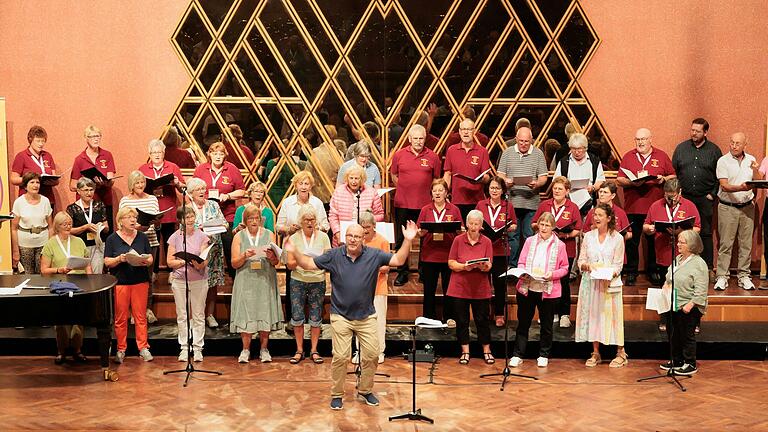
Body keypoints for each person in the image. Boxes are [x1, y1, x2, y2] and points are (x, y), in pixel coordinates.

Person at [285, 221, 419, 410]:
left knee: (372, 355)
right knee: (341, 356)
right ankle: (337, 393)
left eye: (357, 236)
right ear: (344, 238)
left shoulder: (373, 255)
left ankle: (365, 390)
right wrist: (294, 250)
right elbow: (307, 264)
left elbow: (398, 260)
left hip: (366, 316)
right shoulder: (333, 255)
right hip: (341, 315)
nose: (353, 239)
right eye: (349, 236)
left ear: (363, 238)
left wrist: (407, 240)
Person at [509, 212, 569, 368]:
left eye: (547, 225)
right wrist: (522, 271)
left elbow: (565, 268)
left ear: (553, 227)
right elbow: (521, 262)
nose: (543, 228)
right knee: (523, 323)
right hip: (527, 288)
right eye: (541, 224)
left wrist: (552, 275)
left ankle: (543, 354)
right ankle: (518, 354)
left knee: (546, 325)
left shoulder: (560, 245)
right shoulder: (529, 241)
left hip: (547, 290)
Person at [616, 128, 675, 285]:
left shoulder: (661, 156)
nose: (640, 142)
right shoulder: (628, 156)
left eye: (643, 139)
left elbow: (673, 176)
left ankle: (653, 270)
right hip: (633, 206)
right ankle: (631, 272)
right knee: (632, 240)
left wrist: (663, 179)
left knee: (653, 240)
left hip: (655, 207)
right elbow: (619, 180)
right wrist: (632, 182)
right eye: (637, 139)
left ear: (650, 140)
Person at [643, 179, 701, 332]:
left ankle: (693, 321)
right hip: (664, 252)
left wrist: (682, 232)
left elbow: (697, 228)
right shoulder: (656, 205)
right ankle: (666, 319)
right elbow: (646, 225)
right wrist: (649, 229)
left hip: (685, 255)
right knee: (666, 287)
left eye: (673, 196)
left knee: (688, 288)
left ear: (680, 193)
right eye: (667, 196)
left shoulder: (689, 205)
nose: (670, 200)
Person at [277, 171, 331, 330]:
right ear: (296, 185)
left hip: (314, 247)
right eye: (301, 183)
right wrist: (289, 228)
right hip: (294, 247)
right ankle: (292, 321)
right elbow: (278, 226)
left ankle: (315, 322)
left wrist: (316, 227)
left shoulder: (317, 203)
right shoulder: (287, 203)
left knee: (315, 283)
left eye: (306, 183)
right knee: (291, 283)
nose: (304, 186)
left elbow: (325, 225)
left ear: (310, 186)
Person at [576, 203, 628, 368]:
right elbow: (581, 260)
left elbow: (618, 264)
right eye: (594, 215)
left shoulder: (617, 238)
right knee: (594, 316)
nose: (596, 218)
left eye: (599, 215)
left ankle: (621, 352)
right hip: (591, 282)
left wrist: (607, 273)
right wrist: (588, 266)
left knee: (613, 316)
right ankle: (596, 352)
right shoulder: (589, 236)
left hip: (609, 283)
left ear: (609, 218)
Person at [390, 124, 441, 286]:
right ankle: (402, 273)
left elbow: (436, 179)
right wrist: (406, 188)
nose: (418, 141)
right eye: (416, 138)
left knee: (425, 239)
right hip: (403, 204)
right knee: (401, 239)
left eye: (421, 138)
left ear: (425, 139)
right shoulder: (398, 155)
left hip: (425, 205)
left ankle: (423, 272)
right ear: (409, 139)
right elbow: (394, 175)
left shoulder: (433, 157)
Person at [230, 205, 283, 363]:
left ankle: (264, 349)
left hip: (265, 279)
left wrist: (271, 257)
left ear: (261, 220)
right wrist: (244, 256)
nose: (254, 221)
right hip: (246, 279)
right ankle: (245, 350)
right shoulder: (239, 236)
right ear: (245, 221)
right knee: (247, 313)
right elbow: (233, 263)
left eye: (257, 218)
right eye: (250, 219)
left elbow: (277, 262)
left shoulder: (269, 234)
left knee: (264, 311)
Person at [672, 118, 722, 278]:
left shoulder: (714, 151)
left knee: (705, 233)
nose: (694, 133)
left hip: (705, 198)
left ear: (705, 132)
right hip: (684, 198)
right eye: (692, 130)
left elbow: (719, 176)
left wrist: (712, 195)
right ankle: (682, 267)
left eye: (697, 131)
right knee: (684, 233)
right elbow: (675, 172)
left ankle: (707, 268)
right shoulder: (681, 148)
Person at [40, 211, 92, 365]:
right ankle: (62, 351)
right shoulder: (50, 243)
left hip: (79, 284)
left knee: (78, 320)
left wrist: (91, 279)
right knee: (61, 320)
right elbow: (44, 270)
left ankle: (77, 350)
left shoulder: (78, 242)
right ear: (57, 226)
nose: (68, 226)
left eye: (69, 223)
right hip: (60, 284)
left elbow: (87, 263)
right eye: (64, 224)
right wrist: (59, 270)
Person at [104, 207, 154, 363]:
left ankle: (143, 347)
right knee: (121, 318)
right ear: (121, 221)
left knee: (140, 317)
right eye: (129, 217)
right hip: (121, 282)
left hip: (140, 281)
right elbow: (107, 262)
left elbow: (151, 257)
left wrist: (145, 260)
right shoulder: (112, 239)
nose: (133, 220)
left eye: (135, 217)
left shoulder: (142, 237)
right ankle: (121, 348)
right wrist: (119, 259)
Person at [532, 176, 582, 328]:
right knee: (547, 280)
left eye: (560, 189)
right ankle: (549, 312)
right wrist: (543, 228)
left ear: (567, 191)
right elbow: (534, 223)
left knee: (563, 282)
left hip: (566, 248)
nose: (556, 191)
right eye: (554, 188)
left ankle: (564, 314)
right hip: (546, 249)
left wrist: (565, 234)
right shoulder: (544, 205)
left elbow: (578, 229)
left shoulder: (572, 207)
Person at [285, 204, 331, 365]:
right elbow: (290, 264)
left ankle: (314, 350)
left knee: (316, 315)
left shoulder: (323, 237)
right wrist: (303, 262)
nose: (309, 222)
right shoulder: (294, 238)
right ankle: (299, 350)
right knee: (297, 315)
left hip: (317, 281)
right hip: (298, 280)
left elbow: (327, 261)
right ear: (301, 221)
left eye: (312, 219)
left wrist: (310, 262)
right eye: (306, 219)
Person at [193, 141, 246, 279]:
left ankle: (235, 279)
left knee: (229, 246)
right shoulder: (201, 169)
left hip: (226, 217)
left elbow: (241, 191)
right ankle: (201, 277)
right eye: (214, 153)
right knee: (202, 247)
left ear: (225, 156)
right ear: (209, 154)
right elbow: (192, 189)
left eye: (221, 154)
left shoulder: (232, 169)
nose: (217, 156)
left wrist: (228, 196)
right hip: (204, 216)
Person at [448, 209, 495, 365]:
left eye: (477, 224)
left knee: (482, 319)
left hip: (480, 287)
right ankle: (465, 352)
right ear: (466, 224)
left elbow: (489, 265)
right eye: (471, 223)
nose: (474, 227)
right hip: (460, 286)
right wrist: (464, 267)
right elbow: (451, 262)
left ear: (481, 225)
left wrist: (484, 266)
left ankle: (486, 351)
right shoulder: (458, 240)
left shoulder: (487, 241)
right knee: (462, 320)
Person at [497, 126, 549, 266]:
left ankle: (528, 266)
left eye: (527, 141)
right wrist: (505, 181)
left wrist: (537, 183)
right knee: (512, 237)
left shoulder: (538, 154)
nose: (524, 144)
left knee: (529, 236)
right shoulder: (507, 153)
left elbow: (544, 177)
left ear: (531, 140)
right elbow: (500, 174)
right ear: (516, 139)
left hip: (531, 203)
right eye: (521, 141)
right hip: (512, 202)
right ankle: (512, 267)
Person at [659, 229, 708, 376]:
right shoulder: (678, 259)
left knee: (686, 335)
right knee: (673, 334)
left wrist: (691, 304)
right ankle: (677, 360)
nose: (678, 244)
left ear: (692, 244)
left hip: (688, 306)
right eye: (678, 241)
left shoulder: (699, 263)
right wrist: (666, 285)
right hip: (672, 303)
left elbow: (701, 288)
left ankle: (690, 363)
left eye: (682, 242)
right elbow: (669, 276)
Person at [713, 132, 756, 291]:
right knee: (726, 244)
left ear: (745, 145)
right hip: (727, 207)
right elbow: (724, 185)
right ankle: (722, 276)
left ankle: (744, 276)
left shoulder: (751, 160)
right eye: (732, 142)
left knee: (746, 244)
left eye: (738, 143)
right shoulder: (723, 161)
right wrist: (742, 187)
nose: (734, 146)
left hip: (747, 207)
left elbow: (756, 181)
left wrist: (756, 172)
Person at [166, 207, 210, 362]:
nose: (190, 220)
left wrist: (199, 264)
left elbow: (204, 258)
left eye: (192, 216)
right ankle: (184, 348)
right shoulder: (174, 237)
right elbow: (169, 261)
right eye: (187, 217)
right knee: (182, 315)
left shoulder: (203, 236)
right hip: (180, 280)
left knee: (198, 315)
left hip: (199, 279)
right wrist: (182, 261)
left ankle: (198, 348)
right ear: (181, 220)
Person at [417, 179, 462, 324]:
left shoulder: (454, 210)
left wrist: (459, 230)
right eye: (435, 190)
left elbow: (460, 231)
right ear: (431, 193)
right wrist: (421, 232)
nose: (437, 193)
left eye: (440, 190)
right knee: (429, 290)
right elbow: (419, 231)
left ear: (446, 193)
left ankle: (449, 317)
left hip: (448, 255)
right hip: (429, 255)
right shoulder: (425, 210)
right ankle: (428, 318)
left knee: (448, 289)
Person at [119, 171, 161, 324]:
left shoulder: (152, 199)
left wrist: (156, 223)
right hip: (131, 242)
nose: (140, 185)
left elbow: (157, 224)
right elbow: (121, 224)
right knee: (132, 277)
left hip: (150, 241)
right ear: (131, 184)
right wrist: (138, 227)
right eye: (137, 183)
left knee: (147, 278)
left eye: (142, 182)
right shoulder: (125, 201)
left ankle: (147, 310)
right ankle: (132, 312)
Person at [476, 177, 517, 327]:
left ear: (502, 191)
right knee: (483, 284)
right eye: (492, 188)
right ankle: (484, 313)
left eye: (497, 188)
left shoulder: (508, 206)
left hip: (500, 249)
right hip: (483, 250)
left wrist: (510, 227)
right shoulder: (481, 204)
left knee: (500, 284)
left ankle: (499, 314)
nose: (494, 191)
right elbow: (475, 222)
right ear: (488, 189)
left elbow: (514, 225)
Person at [186, 178, 227, 329]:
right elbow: (183, 229)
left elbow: (224, 223)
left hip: (214, 251)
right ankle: (195, 316)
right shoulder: (187, 209)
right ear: (191, 194)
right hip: (196, 251)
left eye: (203, 189)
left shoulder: (214, 205)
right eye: (198, 190)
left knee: (212, 284)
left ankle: (210, 315)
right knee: (195, 284)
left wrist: (215, 226)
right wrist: (199, 228)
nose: (202, 192)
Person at [138, 138, 185, 255]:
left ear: (164, 153)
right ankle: (154, 271)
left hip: (168, 211)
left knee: (169, 244)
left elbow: (183, 189)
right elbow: (136, 189)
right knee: (152, 243)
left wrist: (177, 183)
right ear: (149, 154)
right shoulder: (142, 169)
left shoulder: (173, 167)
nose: (157, 155)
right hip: (149, 211)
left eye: (159, 152)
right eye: (154, 152)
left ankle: (170, 271)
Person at [443, 118, 492, 220]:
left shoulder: (482, 151)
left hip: (476, 202)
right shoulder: (451, 150)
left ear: (474, 131)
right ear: (459, 132)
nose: (466, 132)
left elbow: (487, 177)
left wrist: (482, 179)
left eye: (469, 129)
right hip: (456, 200)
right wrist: (445, 194)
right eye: (463, 129)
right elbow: (447, 174)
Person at [70, 125, 117, 229]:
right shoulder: (79, 159)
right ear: (86, 138)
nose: (96, 138)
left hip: (104, 202)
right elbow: (72, 186)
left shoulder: (107, 155)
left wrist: (104, 183)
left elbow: (111, 180)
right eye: (92, 136)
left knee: (106, 234)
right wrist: (87, 184)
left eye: (98, 136)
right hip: (85, 205)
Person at [359, 211, 390, 364]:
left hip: (378, 287)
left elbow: (387, 267)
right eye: (363, 227)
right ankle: (360, 352)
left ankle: (379, 352)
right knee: (358, 321)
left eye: (368, 227)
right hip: (359, 289)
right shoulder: (357, 241)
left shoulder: (382, 241)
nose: (365, 230)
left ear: (374, 226)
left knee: (378, 321)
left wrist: (370, 267)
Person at [328, 165, 384, 246]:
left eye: (356, 178)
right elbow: (333, 216)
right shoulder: (338, 192)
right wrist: (337, 233)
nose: (353, 181)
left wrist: (368, 221)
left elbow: (380, 215)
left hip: (365, 240)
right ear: (347, 179)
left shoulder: (372, 192)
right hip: (342, 240)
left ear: (362, 179)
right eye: (351, 178)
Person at [554, 132, 605, 217]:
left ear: (585, 148)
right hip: (568, 203)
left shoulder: (594, 161)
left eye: (579, 149)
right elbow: (556, 181)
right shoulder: (564, 162)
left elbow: (601, 181)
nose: (577, 152)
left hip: (589, 202)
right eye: (574, 149)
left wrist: (592, 188)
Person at [11, 172, 53, 273]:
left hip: (43, 244)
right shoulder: (19, 202)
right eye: (32, 182)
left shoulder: (45, 201)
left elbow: (51, 227)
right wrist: (15, 251)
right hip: (24, 245)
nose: (35, 185)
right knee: (27, 276)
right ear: (25, 186)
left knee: (43, 275)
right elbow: (13, 229)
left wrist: (51, 247)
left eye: (37, 182)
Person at [11, 125, 59, 210]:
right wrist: (31, 180)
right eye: (38, 141)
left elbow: (55, 179)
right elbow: (13, 179)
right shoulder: (21, 156)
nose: (41, 144)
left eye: (43, 141)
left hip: (47, 199)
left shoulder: (48, 156)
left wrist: (51, 180)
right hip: (28, 200)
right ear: (30, 140)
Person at [66, 178, 109, 274]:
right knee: (82, 276)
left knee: (97, 274)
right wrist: (85, 227)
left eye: (91, 190)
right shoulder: (72, 208)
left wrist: (101, 227)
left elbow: (107, 228)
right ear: (79, 191)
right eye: (86, 190)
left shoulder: (99, 205)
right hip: (80, 247)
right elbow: (68, 230)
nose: (89, 193)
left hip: (97, 245)